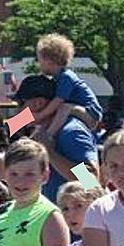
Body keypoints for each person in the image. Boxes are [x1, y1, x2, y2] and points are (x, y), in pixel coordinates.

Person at [13, 75, 99, 205]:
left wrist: (49, 151)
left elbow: (90, 181)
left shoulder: (70, 132)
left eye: (21, 104)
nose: (19, 111)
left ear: (38, 103)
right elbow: (10, 126)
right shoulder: (45, 132)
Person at [33, 34, 103, 136]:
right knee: (50, 108)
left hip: (90, 115)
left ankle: (48, 136)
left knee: (63, 107)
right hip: (76, 109)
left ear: (49, 61)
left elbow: (57, 102)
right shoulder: (56, 78)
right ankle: (23, 131)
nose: (38, 64)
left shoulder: (66, 77)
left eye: (39, 60)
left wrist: (39, 115)